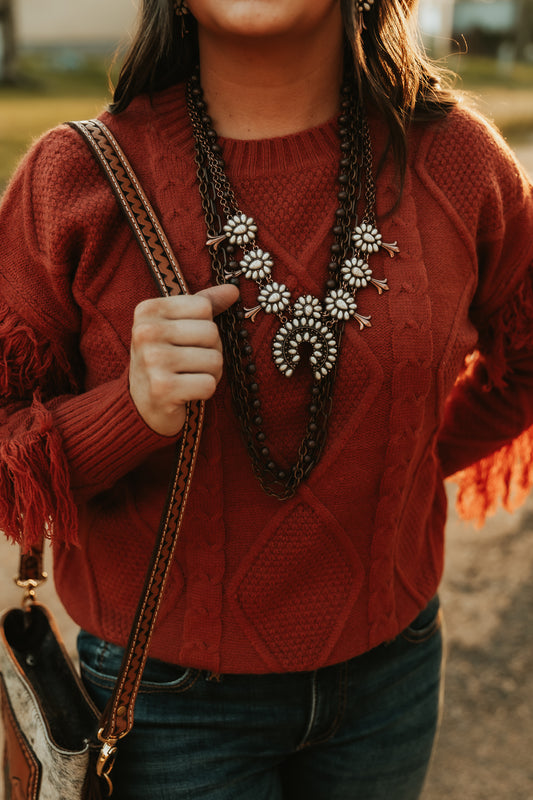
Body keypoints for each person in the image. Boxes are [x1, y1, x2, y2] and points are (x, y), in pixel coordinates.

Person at [1, 0, 532, 798]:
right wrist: (129, 412)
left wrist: (404, 455)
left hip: (391, 675)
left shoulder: (455, 161)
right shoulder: (74, 177)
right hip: (163, 705)